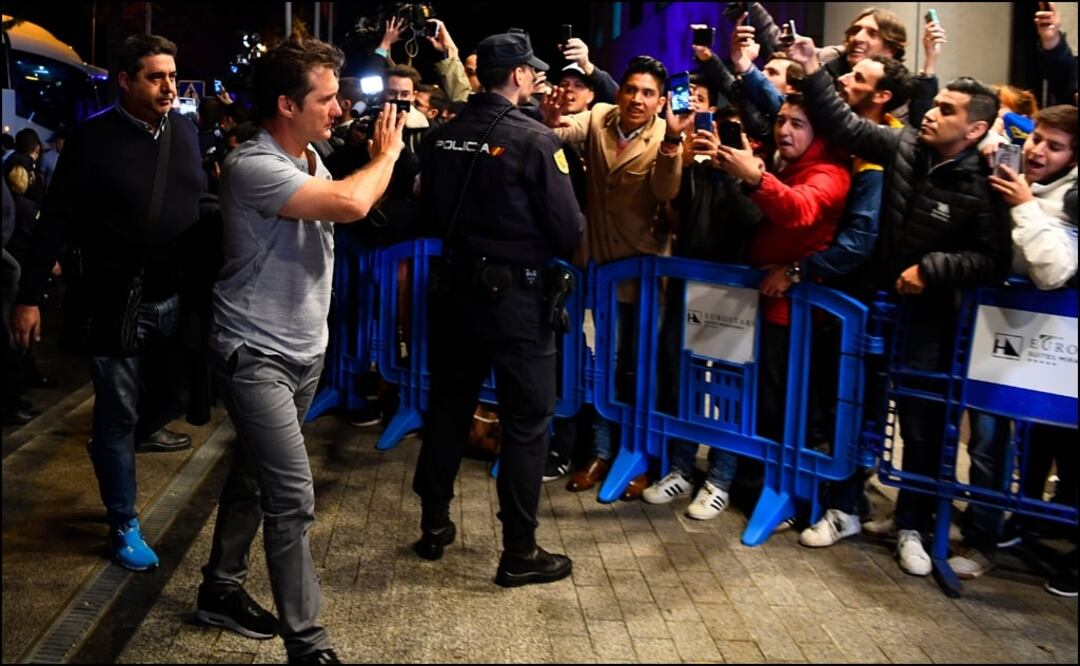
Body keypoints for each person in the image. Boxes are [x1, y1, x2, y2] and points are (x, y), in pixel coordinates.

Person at [196, 33, 404, 664]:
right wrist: (387, 155)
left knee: (253, 478)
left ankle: (219, 590)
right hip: (253, 353)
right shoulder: (253, 164)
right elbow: (352, 202)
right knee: (292, 498)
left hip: (303, 351)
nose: (338, 110)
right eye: (327, 98)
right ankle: (307, 644)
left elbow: (351, 199)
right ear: (287, 105)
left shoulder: (311, 157)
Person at [788, 36, 1012, 577]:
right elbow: (846, 126)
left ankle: (912, 524)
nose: (931, 112)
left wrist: (931, 268)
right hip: (877, 311)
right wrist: (815, 69)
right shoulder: (905, 145)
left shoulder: (986, 180)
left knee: (921, 429)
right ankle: (844, 508)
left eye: (947, 110)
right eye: (934, 105)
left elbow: (993, 258)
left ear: (976, 129)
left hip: (933, 321)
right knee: (855, 410)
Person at [10, 34, 203, 571]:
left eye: (172, 75)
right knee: (116, 413)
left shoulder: (185, 131)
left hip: (175, 295)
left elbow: (198, 201)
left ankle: (111, 448)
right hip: (112, 297)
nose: (169, 87)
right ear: (125, 80)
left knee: (177, 396)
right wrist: (30, 298)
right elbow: (57, 219)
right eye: (155, 77)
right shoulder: (91, 139)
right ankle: (123, 518)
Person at [411, 30, 583, 587]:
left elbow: (429, 211)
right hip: (516, 301)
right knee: (527, 423)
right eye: (532, 71)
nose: (536, 78)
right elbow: (568, 231)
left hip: (454, 291)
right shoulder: (537, 142)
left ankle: (434, 525)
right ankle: (519, 551)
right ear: (517, 76)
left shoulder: (440, 137)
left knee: (448, 408)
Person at [540, 55, 692, 497]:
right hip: (597, 264)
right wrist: (549, 119)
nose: (637, 99)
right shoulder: (601, 116)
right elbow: (560, 132)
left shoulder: (667, 133)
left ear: (660, 100)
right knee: (602, 365)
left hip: (642, 269)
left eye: (648, 93)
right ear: (619, 91)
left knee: (639, 369)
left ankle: (640, 454)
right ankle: (601, 453)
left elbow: (667, 191)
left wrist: (673, 144)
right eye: (631, 89)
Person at [947, 105, 1078, 583]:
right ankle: (983, 535)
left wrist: (1023, 204)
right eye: (1037, 138)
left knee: (1033, 448)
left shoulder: (1070, 199)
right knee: (985, 442)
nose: (1039, 150)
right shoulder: (1011, 174)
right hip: (995, 333)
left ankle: (1006, 532)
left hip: (1050, 348)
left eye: (1055, 145)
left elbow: (1053, 272)